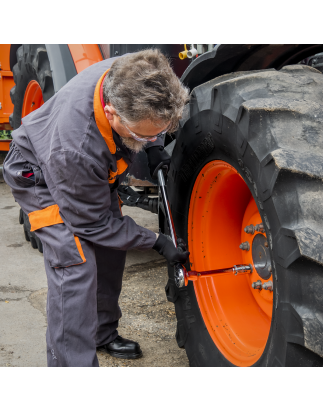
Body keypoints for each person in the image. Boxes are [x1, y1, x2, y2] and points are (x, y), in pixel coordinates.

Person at [3, 49, 190, 367]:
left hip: (88, 171)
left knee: (111, 252)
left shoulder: (139, 72)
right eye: (141, 135)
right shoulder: (75, 147)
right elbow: (92, 224)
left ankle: (101, 333)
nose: (152, 138)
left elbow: (151, 115)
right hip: (39, 176)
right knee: (74, 263)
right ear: (112, 112)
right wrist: (156, 241)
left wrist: (155, 145)